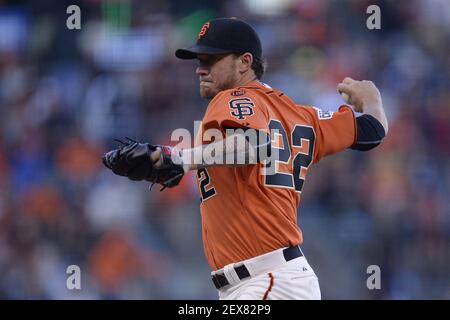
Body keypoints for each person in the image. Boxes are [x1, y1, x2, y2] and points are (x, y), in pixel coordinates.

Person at [102, 17, 388, 300]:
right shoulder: (302, 116)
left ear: (245, 62)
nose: (200, 69)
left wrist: (179, 159)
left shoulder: (231, 98)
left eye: (211, 59)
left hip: (264, 280)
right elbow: (373, 131)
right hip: (273, 280)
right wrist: (372, 99)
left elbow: (256, 143)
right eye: (199, 60)